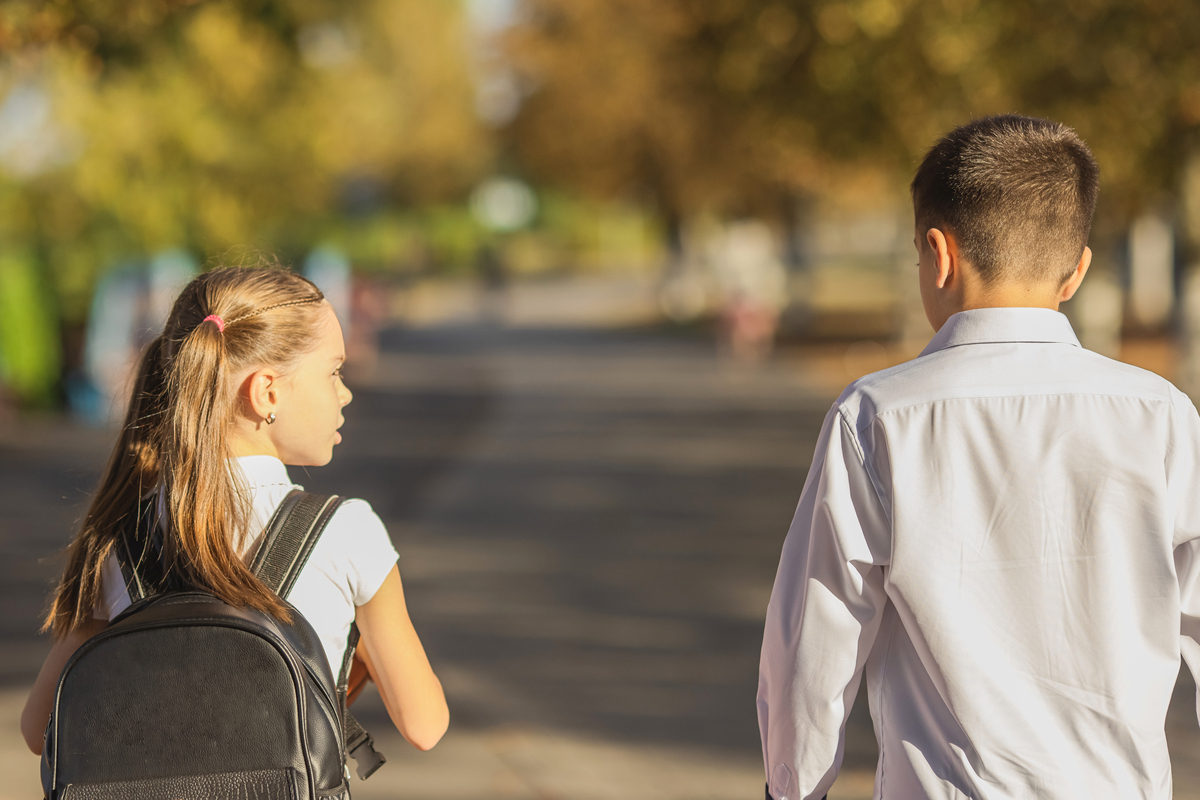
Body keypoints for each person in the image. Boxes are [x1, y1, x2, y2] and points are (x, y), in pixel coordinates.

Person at [757, 115, 1200, 799]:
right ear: (1076, 272)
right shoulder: (1161, 414)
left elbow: (815, 637)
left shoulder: (878, 415)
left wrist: (791, 787)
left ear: (938, 255)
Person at [20, 265, 448, 755]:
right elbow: (425, 725)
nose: (344, 392)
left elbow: (38, 729)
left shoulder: (123, 540)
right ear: (267, 392)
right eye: (333, 372)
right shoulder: (348, 531)